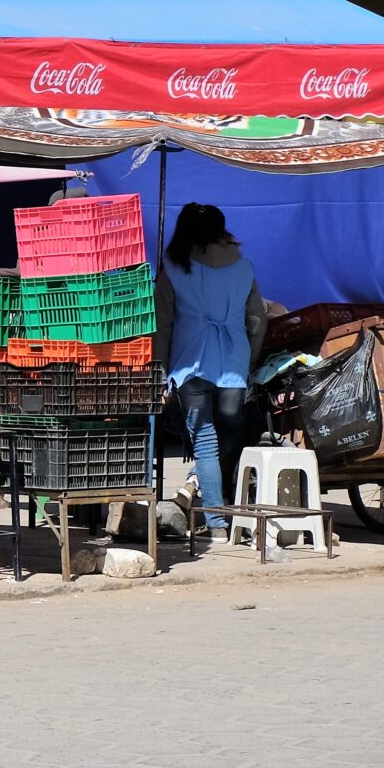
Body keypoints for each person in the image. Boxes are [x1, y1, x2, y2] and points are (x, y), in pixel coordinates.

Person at [156, 203, 266, 535]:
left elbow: (163, 325)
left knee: (205, 441)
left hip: (190, 365)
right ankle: (206, 496)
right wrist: (251, 361)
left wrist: (159, 371)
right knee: (231, 430)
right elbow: (258, 320)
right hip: (233, 362)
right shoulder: (244, 267)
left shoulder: (173, 268)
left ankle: (217, 523)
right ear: (222, 229)